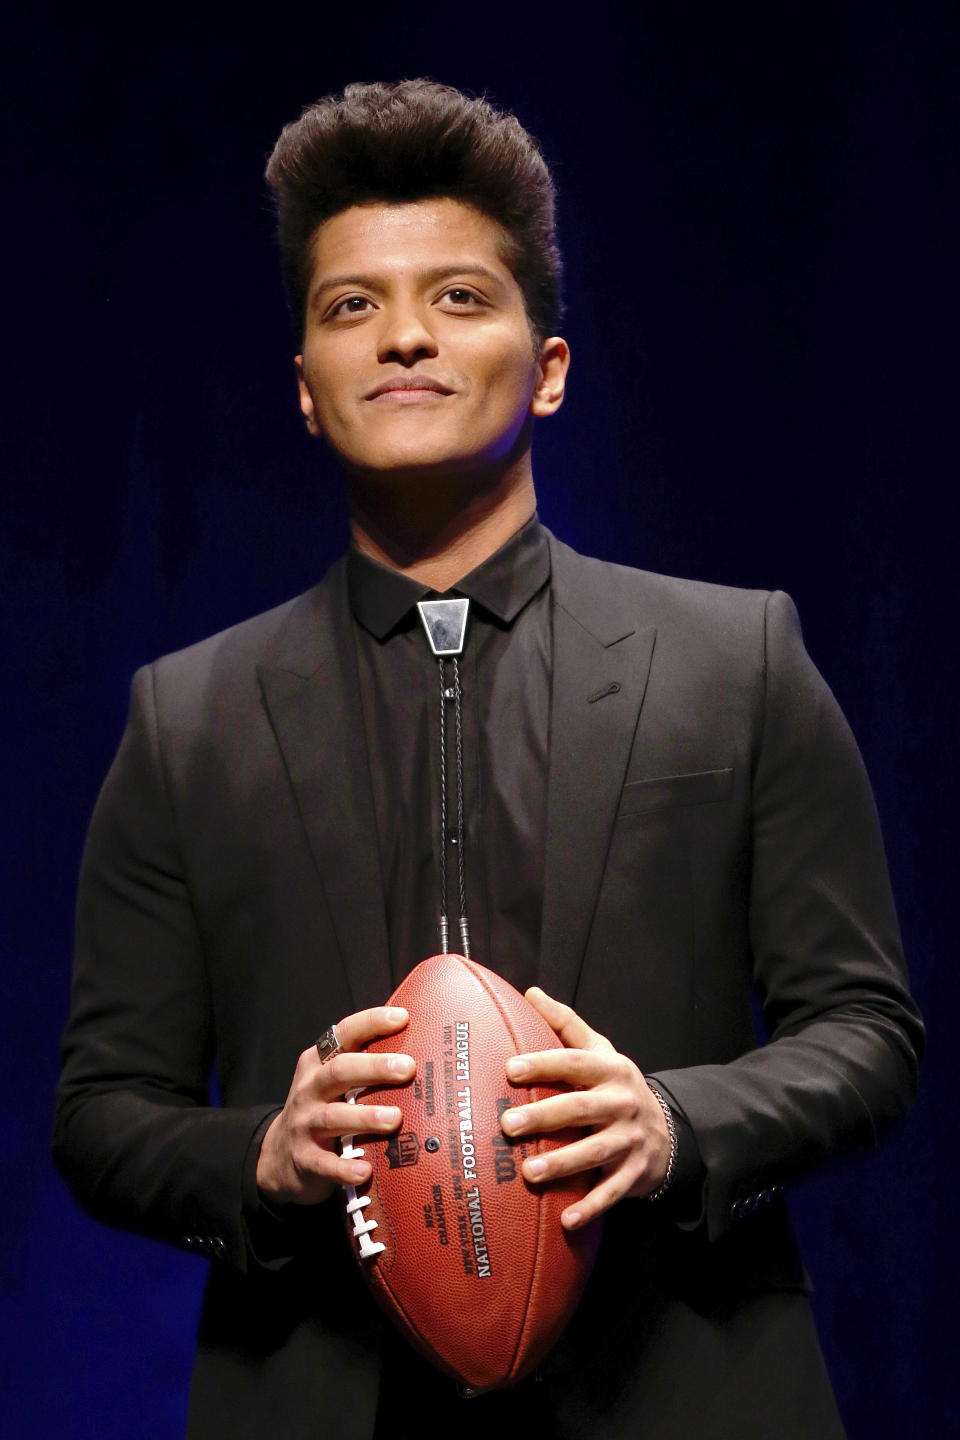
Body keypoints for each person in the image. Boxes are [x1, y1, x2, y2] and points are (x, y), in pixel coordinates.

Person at [53, 80, 923, 1440]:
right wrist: (263, 1157)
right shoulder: (189, 717)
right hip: (325, 1398)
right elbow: (105, 1113)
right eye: (351, 306)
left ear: (552, 366)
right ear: (303, 391)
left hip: (687, 1392)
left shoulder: (737, 658)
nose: (403, 334)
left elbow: (871, 1033)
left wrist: (672, 1125)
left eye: (459, 296)